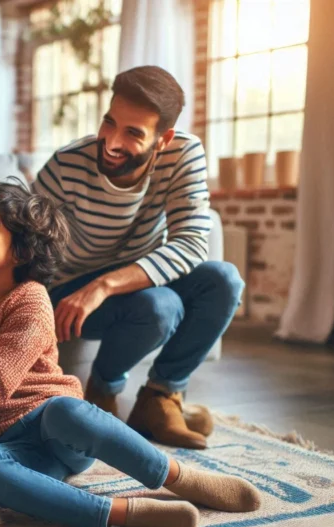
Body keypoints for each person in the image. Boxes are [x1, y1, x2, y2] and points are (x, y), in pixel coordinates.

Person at [0, 179, 261, 527]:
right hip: (16, 449)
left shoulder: (32, 300)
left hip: (58, 430)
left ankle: (181, 478)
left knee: (65, 412)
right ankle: (125, 513)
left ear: (21, 248)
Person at [33, 65, 244, 449]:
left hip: (127, 277)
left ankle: (159, 398)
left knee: (224, 280)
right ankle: (102, 393)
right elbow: (26, 246)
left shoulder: (184, 153)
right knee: (159, 306)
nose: (111, 142)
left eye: (132, 133)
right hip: (69, 287)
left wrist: (106, 285)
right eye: (109, 123)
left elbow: (193, 243)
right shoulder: (66, 165)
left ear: (162, 140)